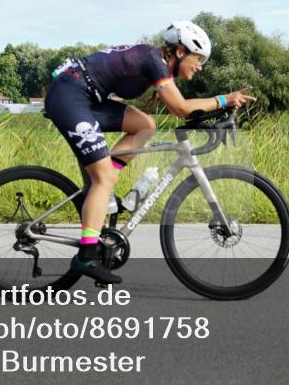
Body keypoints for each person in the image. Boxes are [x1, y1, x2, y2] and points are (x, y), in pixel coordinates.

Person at [43, 20, 256, 284]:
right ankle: (86, 255)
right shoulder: (153, 60)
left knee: (145, 125)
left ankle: (104, 188)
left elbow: (182, 108)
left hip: (85, 97)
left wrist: (218, 109)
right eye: (198, 58)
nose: (200, 66)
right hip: (70, 96)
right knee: (103, 178)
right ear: (180, 52)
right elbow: (180, 107)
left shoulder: (154, 60)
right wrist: (223, 99)